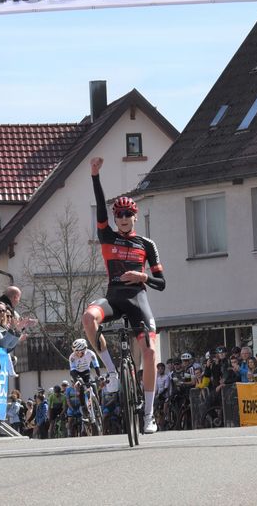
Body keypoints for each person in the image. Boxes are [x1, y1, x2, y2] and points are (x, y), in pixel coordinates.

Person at [80, 156, 166, 433]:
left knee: (150, 352)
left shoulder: (146, 244)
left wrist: (143, 277)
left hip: (138, 300)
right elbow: (100, 210)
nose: (124, 219)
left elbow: (162, 282)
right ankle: (113, 371)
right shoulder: (108, 236)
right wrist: (95, 176)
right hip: (114, 298)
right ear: (115, 218)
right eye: (120, 215)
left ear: (135, 217)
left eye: (128, 215)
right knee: (88, 318)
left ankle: (149, 415)